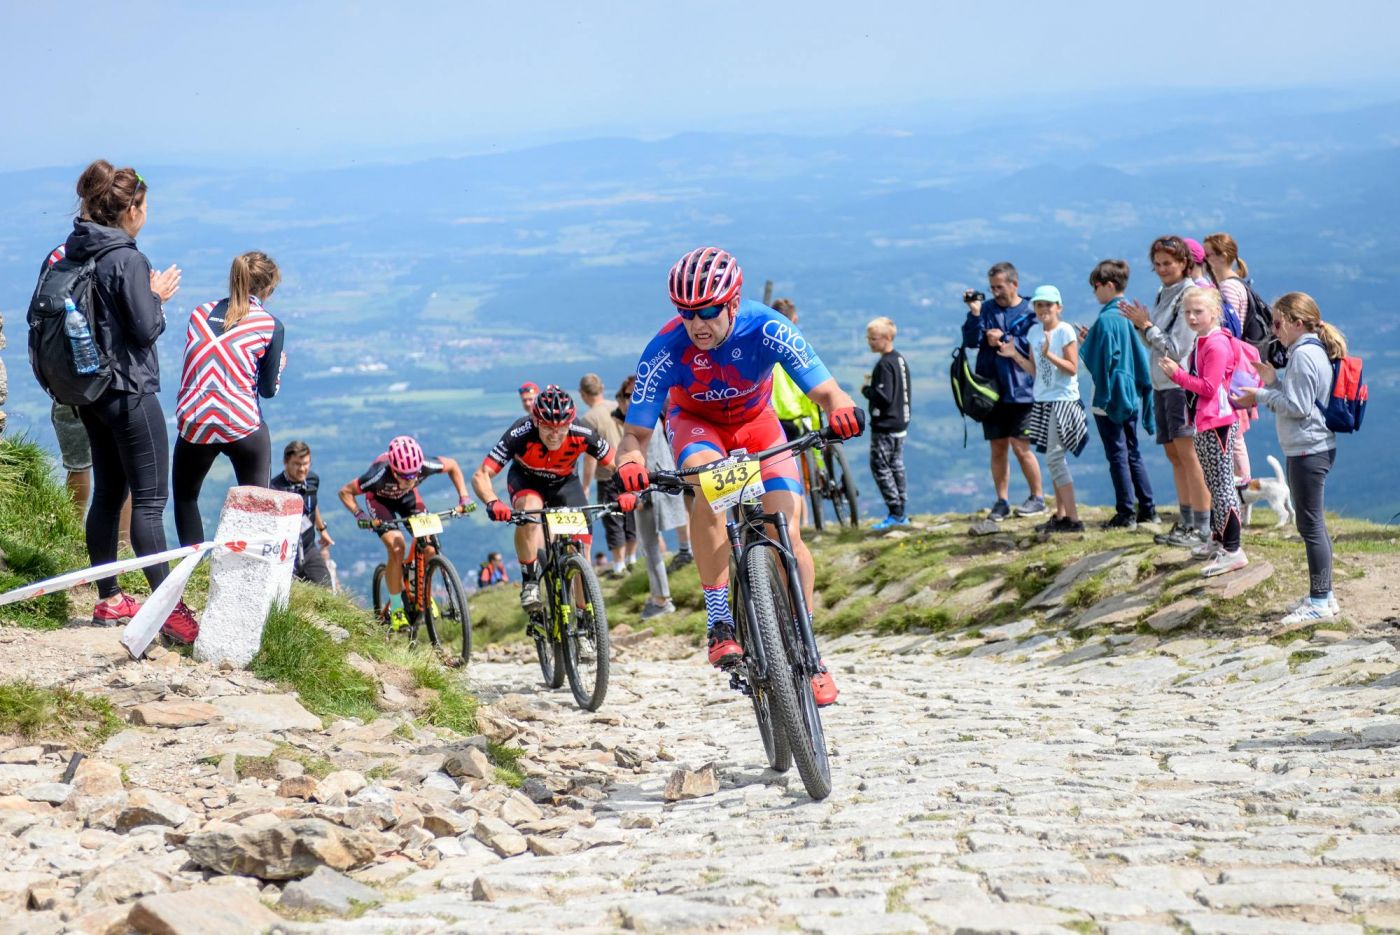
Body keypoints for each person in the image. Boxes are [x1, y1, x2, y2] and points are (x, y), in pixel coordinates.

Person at [614, 246, 864, 707]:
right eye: (686, 313)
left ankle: (806, 644)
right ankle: (719, 619)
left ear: (732, 303)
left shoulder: (767, 326)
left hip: (757, 424)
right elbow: (633, 436)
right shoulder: (666, 348)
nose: (697, 324)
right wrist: (629, 462)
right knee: (709, 488)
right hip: (697, 427)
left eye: (708, 311)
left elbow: (829, 392)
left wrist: (842, 410)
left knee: (786, 529)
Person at [67, 160, 196, 642]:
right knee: (149, 501)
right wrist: (156, 295)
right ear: (132, 210)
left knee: (107, 493)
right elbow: (144, 329)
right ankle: (171, 612)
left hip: (91, 392)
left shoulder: (75, 249)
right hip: (129, 391)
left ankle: (110, 598)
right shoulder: (127, 259)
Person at [1231, 292, 1343, 624]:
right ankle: (1324, 595)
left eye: (1278, 323)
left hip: (1308, 448)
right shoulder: (1306, 352)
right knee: (1312, 523)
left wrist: (1259, 394)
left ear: (1296, 323)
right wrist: (1273, 381)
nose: (1274, 329)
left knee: (1310, 524)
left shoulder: (1304, 355)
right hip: (1310, 446)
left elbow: (1298, 407)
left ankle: (1320, 601)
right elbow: (1297, 397)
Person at [472, 385, 631, 613]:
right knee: (530, 511)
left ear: (570, 423)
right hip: (527, 481)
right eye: (548, 427)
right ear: (536, 421)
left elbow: (617, 464)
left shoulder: (582, 431)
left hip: (565, 483)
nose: (555, 435)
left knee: (581, 552)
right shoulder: (520, 432)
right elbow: (481, 475)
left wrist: (627, 491)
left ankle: (585, 618)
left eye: (562, 428)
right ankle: (530, 581)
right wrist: (492, 501)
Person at [172, 252, 286, 546]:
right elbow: (267, 390)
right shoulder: (270, 325)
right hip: (241, 426)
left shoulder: (199, 313)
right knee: (256, 503)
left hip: (195, 421)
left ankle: (191, 569)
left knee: (186, 497)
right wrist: (279, 368)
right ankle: (248, 568)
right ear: (268, 288)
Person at [1123, 236, 1211, 549]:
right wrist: (1142, 326)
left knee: (1189, 455)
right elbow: (1156, 341)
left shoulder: (1189, 295)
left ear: (1184, 263)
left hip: (1180, 384)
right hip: (1162, 383)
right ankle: (1187, 521)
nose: (1162, 269)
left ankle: (1202, 525)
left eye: (1168, 263)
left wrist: (1146, 326)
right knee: (1174, 454)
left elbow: (1176, 348)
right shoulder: (1165, 293)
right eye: (1158, 264)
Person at [340, 436, 471, 630]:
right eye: (404, 476)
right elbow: (345, 492)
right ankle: (397, 606)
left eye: (414, 475)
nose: (410, 480)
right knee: (397, 546)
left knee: (429, 547)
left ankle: (422, 593)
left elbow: (452, 465)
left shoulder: (424, 465)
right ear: (393, 469)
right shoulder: (377, 475)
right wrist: (360, 515)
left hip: (408, 500)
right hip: (380, 502)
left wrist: (464, 497)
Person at [1160, 287, 1247, 577]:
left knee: (1222, 486)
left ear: (1214, 312)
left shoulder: (1216, 344)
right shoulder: (1203, 340)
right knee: (1213, 483)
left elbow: (1209, 388)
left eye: (1198, 311)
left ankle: (1233, 550)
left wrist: (1177, 376)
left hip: (1218, 422)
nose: (1192, 317)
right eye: (1187, 312)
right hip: (1206, 420)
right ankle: (1219, 538)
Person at [960, 262, 1046, 521]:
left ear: (1014, 284)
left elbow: (1038, 342)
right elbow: (970, 341)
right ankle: (1002, 500)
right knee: (997, 447)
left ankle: (1037, 497)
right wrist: (975, 315)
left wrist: (1007, 340)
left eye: (1000, 287)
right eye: (992, 288)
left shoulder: (1031, 311)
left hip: (1021, 390)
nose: (996, 292)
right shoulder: (985, 310)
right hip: (991, 392)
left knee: (1022, 446)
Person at [998, 286, 1087, 533]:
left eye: (1048, 304)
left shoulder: (1065, 330)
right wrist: (1013, 355)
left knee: (1055, 458)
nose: (1043, 309)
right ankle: (1061, 515)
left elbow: (1072, 368)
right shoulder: (1034, 331)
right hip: (1043, 400)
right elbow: (1035, 371)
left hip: (1063, 401)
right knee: (1053, 459)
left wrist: (1049, 354)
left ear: (1059, 307)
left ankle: (1073, 519)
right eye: (1039, 305)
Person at [1079, 260, 1157, 529]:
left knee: (1117, 453)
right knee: (1133, 451)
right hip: (1131, 394)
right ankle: (1148, 508)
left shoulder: (1106, 318)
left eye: (1096, 287)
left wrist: (1086, 344)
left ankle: (1125, 512)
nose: (1094, 292)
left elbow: (1099, 363)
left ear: (1109, 286)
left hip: (1110, 396)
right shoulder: (1129, 316)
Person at [615, 376, 685, 619]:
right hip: (659, 486)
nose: (630, 401)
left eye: (635, 396)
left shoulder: (642, 424)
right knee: (652, 544)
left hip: (650, 490)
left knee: (650, 545)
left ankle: (661, 599)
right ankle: (661, 595)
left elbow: (644, 461)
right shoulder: (648, 419)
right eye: (626, 396)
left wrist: (636, 493)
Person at [1203, 232, 1255, 486]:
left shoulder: (1228, 288)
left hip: (1230, 366)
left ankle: (1242, 488)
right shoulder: (1239, 283)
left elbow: (1230, 328)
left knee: (1234, 436)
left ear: (1223, 256)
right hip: (1237, 363)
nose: (1205, 260)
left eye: (1209, 255)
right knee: (1236, 434)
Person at [579, 373, 635, 577]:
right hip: (628, 467)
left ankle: (619, 565)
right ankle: (632, 558)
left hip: (607, 475)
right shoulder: (616, 405)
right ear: (601, 388)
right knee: (629, 515)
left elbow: (590, 457)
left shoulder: (588, 419)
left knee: (613, 519)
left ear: (583, 394)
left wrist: (585, 485)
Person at [862, 316, 911, 530]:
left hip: (886, 424)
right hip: (901, 422)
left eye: (873, 338)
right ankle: (901, 510)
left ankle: (895, 512)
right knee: (896, 465)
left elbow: (884, 396)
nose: (869, 342)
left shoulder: (884, 364)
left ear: (886, 337)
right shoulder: (899, 359)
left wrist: (867, 390)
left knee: (880, 466)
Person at [270, 440, 334, 588]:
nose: (302, 469)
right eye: (297, 464)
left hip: (308, 548)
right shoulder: (275, 488)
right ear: (286, 463)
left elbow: (312, 504)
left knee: (326, 590)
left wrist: (322, 529)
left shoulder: (312, 480)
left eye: (306, 463)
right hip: (285, 553)